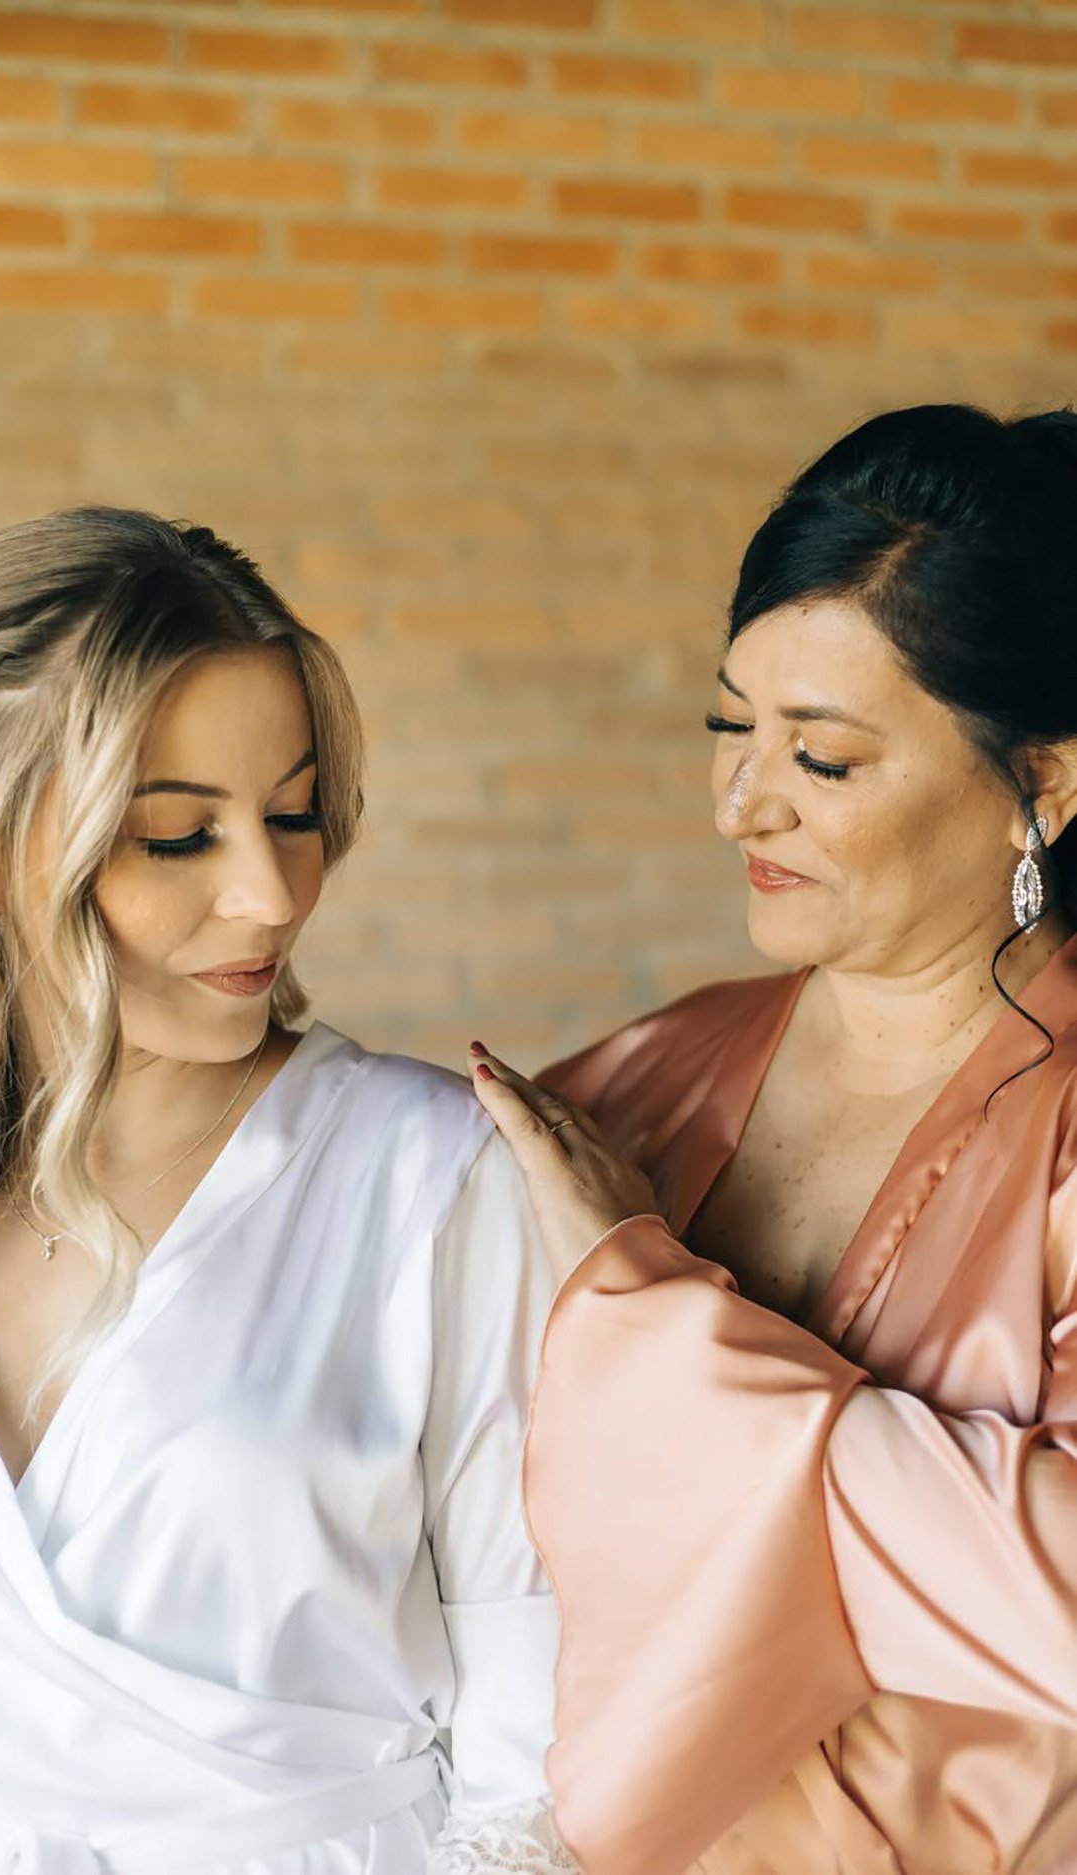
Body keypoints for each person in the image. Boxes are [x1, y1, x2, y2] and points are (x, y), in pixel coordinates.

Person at [0, 509, 569, 1875]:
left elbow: (538, 1745)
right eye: (177, 836)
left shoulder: (432, 1179)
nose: (270, 895)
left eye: (293, 816)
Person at [469, 403, 1077, 1875]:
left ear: (1045, 786)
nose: (741, 805)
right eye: (728, 727)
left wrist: (649, 1313)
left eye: (825, 759)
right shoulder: (630, 1086)